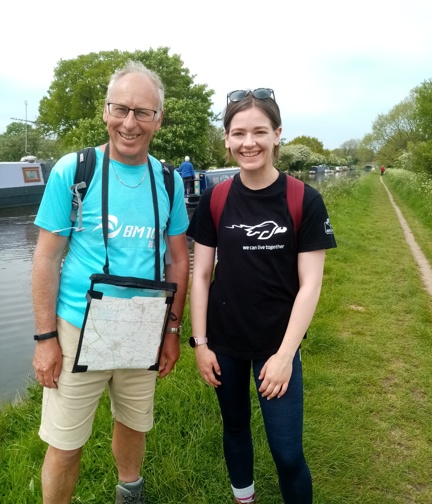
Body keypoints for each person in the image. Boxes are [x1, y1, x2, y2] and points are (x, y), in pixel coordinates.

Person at [31, 61, 190, 504]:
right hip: (78, 327)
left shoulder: (169, 181)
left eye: (143, 112)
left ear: (159, 119)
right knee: (65, 442)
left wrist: (172, 330)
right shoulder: (73, 170)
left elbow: (179, 260)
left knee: (134, 423)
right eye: (121, 109)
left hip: (143, 325)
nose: (130, 122)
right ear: (105, 111)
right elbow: (46, 259)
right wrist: (45, 338)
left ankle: (130, 493)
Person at [187, 88, 337, 504]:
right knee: (234, 429)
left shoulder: (304, 199)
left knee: (287, 452)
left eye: (258, 131)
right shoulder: (215, 198)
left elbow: (311, 284)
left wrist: (286, 355)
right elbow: (200, 275)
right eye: (238, 133)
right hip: (224, 342)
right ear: (226, 139)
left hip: (277, 344)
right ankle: (244, 498)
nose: (247, 142)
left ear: (277, 134)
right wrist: (200, 344)